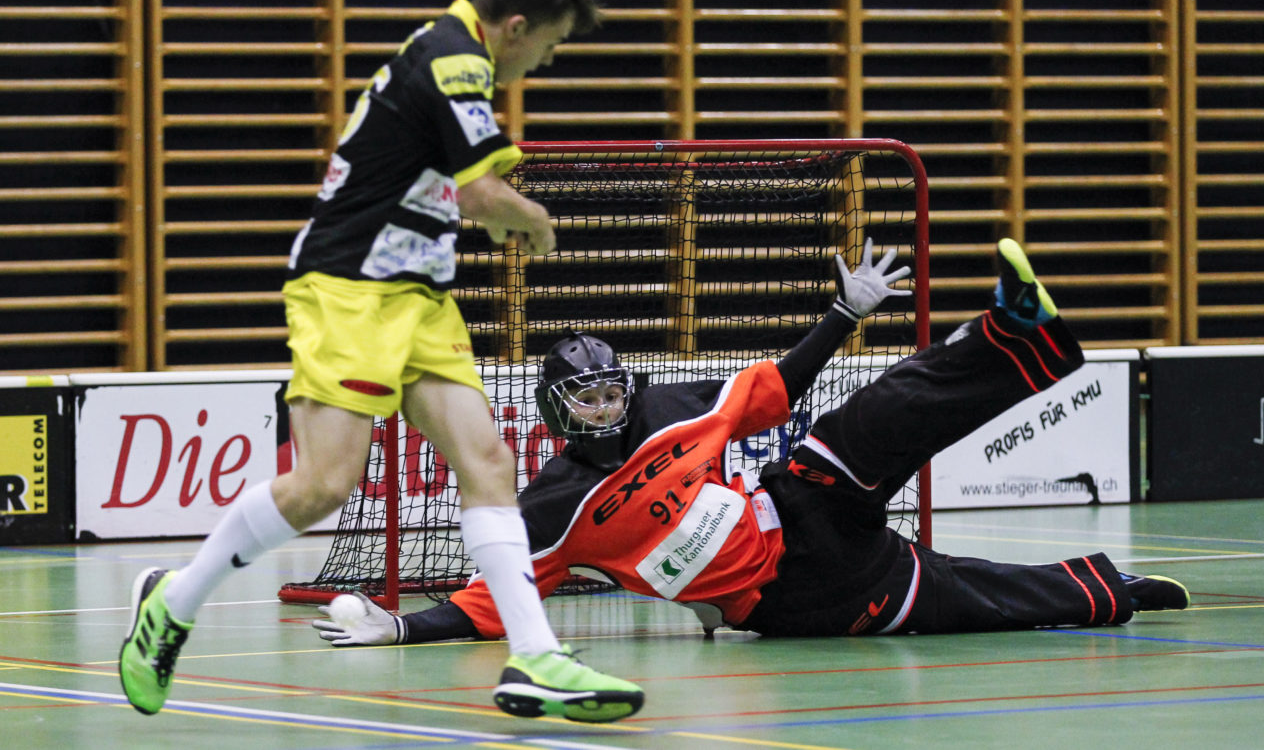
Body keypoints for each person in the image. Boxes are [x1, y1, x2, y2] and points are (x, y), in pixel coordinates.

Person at [119, 0, 646, 725]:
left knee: (488, 458)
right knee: (324, 484)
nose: (542, 63)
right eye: (549, 45)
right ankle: (174, 598)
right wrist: (535, 222)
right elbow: (481, 196)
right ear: (515, 25)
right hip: (349, 287)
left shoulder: (458, 55)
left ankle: (534, 654)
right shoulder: (452, 59)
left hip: (419, 296)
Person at [311, 238, 1190, 650]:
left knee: (886, 408)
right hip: (793, 595)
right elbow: (488, 603)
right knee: (977, 596)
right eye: (591, 395)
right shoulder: (553, 505)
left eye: (616, 386)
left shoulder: (670, 406)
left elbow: (773, 391)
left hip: (798, 499)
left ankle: (1018, 334)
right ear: (555, 412)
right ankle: (1115, 590)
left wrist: (843, 314)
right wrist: (397, 628)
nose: (611, 404)